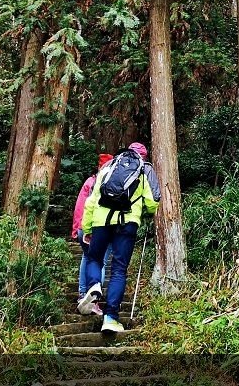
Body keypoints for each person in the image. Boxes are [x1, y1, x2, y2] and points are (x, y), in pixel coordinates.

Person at [78, 141, 160, 334]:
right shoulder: (145, 169)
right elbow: (153, 201)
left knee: (94, 258)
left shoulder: (109, 166)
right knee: (119, 270)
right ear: (143, 156)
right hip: (128, 223)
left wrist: (87, 228)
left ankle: (94, 286)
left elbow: (92, 199)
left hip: (100, 220)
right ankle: (110, 318)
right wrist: (143, 212)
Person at [72, 153, 113, 313]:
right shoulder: (109, 184)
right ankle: (94, 302)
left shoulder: (90, 181)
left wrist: (77, 228)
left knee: (86, 257)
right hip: (100, 228)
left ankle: (82, 294)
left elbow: (80, 206)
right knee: (99, 261)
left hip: (84, 227)